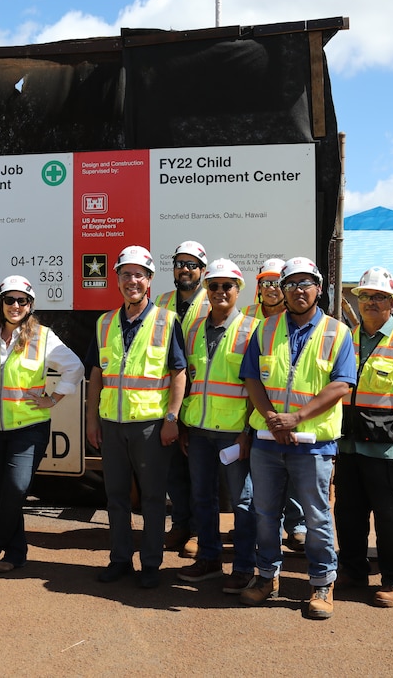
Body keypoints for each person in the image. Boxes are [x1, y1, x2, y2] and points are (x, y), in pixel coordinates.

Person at [238, 256, 355, 619]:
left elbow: (341, 384)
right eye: (290, 284)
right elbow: (253, 378)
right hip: (269, 440)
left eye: (306, 284)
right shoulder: (266, 328)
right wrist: (273, 419)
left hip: (314, 444)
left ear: (319, 289)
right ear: (281, 291)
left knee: (317, 517)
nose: (298, 290)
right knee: (265, 513)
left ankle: (321, 583)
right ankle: (266, 577)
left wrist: (297, 418)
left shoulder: (338, 332)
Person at [0, 275, 85, 572]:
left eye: (22, 300)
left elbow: (75, 367)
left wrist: (53, 399)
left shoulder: (43, 336)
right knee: (4, 494)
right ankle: (16, 553)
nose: (15, 305)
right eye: (9, 300)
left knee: (16, 490)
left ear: (30, 305)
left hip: (28, 430)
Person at [85, 245, 187, 589]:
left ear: (149, 281)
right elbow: (97, 374)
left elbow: (178, 373)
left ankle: (151, 565)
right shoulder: (104, 322)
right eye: (126, 274)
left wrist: (172, 418)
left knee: (154, 498)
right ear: (117, 279)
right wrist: (91, 420)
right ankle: (120, 559)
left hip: (150, 427)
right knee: (115, 496)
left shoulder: (167, 321)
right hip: (112, 426)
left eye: (139, 275)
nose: (132, 281)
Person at [333, 267, 393, 608]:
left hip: (388, 450)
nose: (372, 302)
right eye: (366, 296)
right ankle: (353, 570)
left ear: (392, 303)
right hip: (347, 446)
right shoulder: (346, 337)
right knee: (348, 515)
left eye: (379, 297)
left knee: (391, 519)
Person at [174, 259, 260, 594]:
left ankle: (243, 567)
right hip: (198, 430)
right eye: (214, 286)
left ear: (239, 290)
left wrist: (248, 432)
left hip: (234, 432)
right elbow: (187, 380)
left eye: (227, 286)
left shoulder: (252, 330)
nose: (220, 292)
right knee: (202, 498)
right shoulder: (192, 329)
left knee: (242, 502)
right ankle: (209, 560)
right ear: (206, 290)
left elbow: (258, 385)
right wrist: (182, 422)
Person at [244, 257, 307, 553]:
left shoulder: (296, 317)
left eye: (275, 282)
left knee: (292, 473)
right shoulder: (246, 316)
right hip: (250, 404)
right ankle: (267, 527)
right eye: (264, 282)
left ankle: (296, 526)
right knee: (262, 474)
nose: (270, 288)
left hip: (291, 411)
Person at [154, 240, 209, 557]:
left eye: (191, 265)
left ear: (202, 270)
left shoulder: (213, 301)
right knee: (173, 469)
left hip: (201, 396)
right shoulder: (160, 301)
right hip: (167, 397)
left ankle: (200, 532)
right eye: (179, 263)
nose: (185, 269)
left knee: (200, 472)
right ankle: (180, 525)